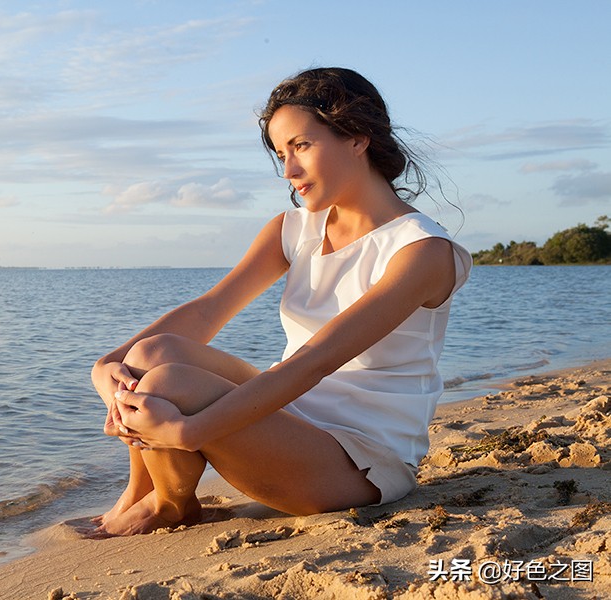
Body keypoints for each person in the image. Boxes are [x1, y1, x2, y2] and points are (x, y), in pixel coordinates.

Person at [90, 67, 472, 536]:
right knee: (150, 355)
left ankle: (169, 504)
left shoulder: (422, 251)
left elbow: (314, 361)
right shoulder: (292, 229)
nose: (289, 170)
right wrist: (107, 366)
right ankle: (145, 493)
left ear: (357, 137)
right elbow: (209, 309)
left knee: (170, 381)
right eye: (280, 153)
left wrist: (190, 432)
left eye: (302, 146)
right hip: (289, 416)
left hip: (358, 459)